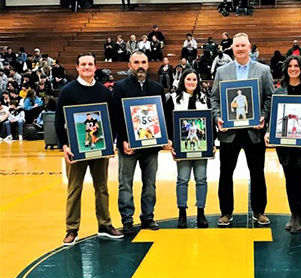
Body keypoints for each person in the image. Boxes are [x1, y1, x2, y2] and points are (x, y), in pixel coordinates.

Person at [55, 52, 123, 245]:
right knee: (74, 189)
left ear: (95, 67)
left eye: (90, 64)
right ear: (77, 67)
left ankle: (104, 224)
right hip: (76, 150)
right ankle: (72, 229)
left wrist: (112, 142)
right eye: (83, 64)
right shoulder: (67, 91)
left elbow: (111, 120)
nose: (87, 67)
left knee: (102, 187)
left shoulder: (103, 91)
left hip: (100, 148)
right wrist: (65, 146)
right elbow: (60, 121)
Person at [211, 33, 274, 226]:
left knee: (257, 172)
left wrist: (263, 116)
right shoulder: (222, 71)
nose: (240, 49)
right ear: (232, 48)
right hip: (229, 133)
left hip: (254, 132)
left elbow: (270, 98)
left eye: (243, 45)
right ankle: (226, 212)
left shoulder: (263, 70)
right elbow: (214, 98)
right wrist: (218, 117)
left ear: (249, 47)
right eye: (236, 46)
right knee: (225, 173)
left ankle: (259, 211)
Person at [111, 51, 171, 235]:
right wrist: (121, 140)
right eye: (136, 62)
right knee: (125, 183)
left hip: (151, 146)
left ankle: (148, 217)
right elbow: (116, 116)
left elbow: (162, 117)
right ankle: (127, 219)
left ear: (148, 65)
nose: (140, 66)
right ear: (130, 65)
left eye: (143, 62)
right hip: (129, 146)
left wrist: (164, 138)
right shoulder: (120, 87)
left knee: (150, 183)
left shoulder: (157, 88)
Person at [264, 55, 301, 233]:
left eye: (296, 66)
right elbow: (273, 117)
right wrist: (268, 132)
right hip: (285, 144)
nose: (293, 69)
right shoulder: (279, 91)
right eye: (290, 66)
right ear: (286, 69)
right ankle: (293, 214)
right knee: (290, 179)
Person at [164, 69, 211, 228]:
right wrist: (170, 142)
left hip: (201, 147)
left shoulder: (204, 99)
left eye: (194, 79)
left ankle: (201, 212)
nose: (192, 82)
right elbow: (169, 122)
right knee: (182, 179)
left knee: (201, 179)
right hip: (181, 147)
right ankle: (182, 212)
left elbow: (209, 123)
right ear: (183, 80)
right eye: (188, 79)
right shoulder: (173, 99)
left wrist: (212, 142)